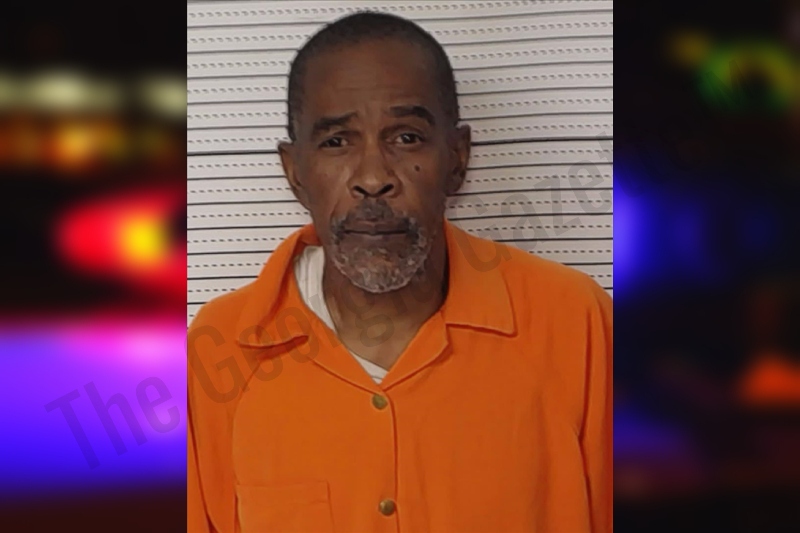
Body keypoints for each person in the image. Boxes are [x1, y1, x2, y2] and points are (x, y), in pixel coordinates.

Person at [187, 11, 612, 533]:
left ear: (457, 159)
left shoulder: (573, 321)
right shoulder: (221, 350)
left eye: (407, 137)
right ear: (294, 171)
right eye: (336, 141)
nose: (372, 178)